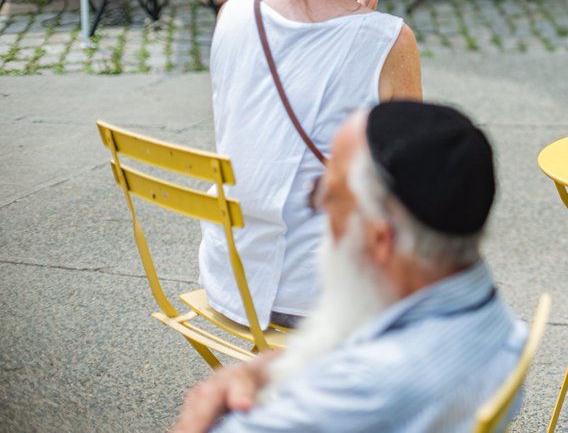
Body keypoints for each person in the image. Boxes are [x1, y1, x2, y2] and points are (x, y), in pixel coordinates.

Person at [174, 101, 525, 433]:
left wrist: (205, 398)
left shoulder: (365, 385)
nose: (322, 210)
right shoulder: (490, 313)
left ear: (378, 240)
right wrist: (263, 371)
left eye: (331, 195)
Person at [198, 0, 422, 329]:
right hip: (325, 299)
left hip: (232, 281)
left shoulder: (233, 14)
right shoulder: (388, 41)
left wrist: (357, 33)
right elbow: (409, 183)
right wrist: (363, 35)